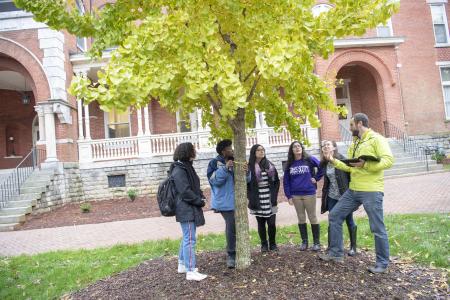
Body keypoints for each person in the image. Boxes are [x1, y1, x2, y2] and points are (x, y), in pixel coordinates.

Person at [319, 113, 394, 274]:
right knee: (335, 215)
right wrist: (332, 160)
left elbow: (388, 161)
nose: (350, 127)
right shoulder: (355, 142)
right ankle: (336, 253)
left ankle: (382, 263)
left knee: (377, 227)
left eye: (351, 124)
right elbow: (351, 167)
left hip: (371, 190)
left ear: (360, 124)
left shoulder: (376, 139)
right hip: (353, 190)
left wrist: (365, 165)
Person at [207, 139, 250, 268]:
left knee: (237, 226)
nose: (232, 150)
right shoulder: (214, 163)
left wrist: (246, 171)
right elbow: (214, 181)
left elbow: (247, 180)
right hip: (224, 202)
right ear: (223, 151)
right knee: (231, 226)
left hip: (238, 201)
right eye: (229, 148)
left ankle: (239, 250)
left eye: (232, 148)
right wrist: (225, 169)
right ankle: (231, 255)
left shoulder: (237, 160)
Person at [171, 142, 207, 281]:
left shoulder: (186, 167)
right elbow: (185, 191)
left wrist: (200, 195)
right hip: (185, 208)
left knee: (187, 236)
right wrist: (199, 201)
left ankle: (182, 265)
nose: (195, 151)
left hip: (188, 207)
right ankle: (191, 271)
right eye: (193, 149)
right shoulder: (179, 170)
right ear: (187, 152)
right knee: (190, 239)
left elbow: (193, 186)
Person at [283, 141, 324, 251]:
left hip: (309, 193)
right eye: (294, 147)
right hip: (296, 195)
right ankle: (304, 242)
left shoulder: (309, 159)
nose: (297, 148)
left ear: (302, 148)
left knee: (312, 217)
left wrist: (316, 178)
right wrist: (289, 196)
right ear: (292, 150)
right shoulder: (289, 164)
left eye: (298, 146)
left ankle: (316, 243)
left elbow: (322, 167)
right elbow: (286, 181)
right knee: (301, 218)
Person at [320, 140, 357, 256]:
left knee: (349, 220)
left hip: (344, 196)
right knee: (332, 220)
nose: (326, 147)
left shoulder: (342, 159)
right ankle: (332, 247)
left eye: (328, 145)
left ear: (334, 148)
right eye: (324, 145)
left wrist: (352, 193)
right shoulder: (325, 163)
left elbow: (351, 175)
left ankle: (353, 247)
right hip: (331, 196)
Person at [247, 144, 280, 252]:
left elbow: (276, 181)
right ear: (254, 152)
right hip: (257, 198)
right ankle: (264, 244)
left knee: (271, 223)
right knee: (261, 223)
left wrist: (274, 194)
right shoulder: (249, 166)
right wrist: (250, 196)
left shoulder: (269, 165)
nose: (261, 151)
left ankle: (273, 244)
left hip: (269, 197)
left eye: (263, 150)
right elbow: (247, 183)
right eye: (258, 150)